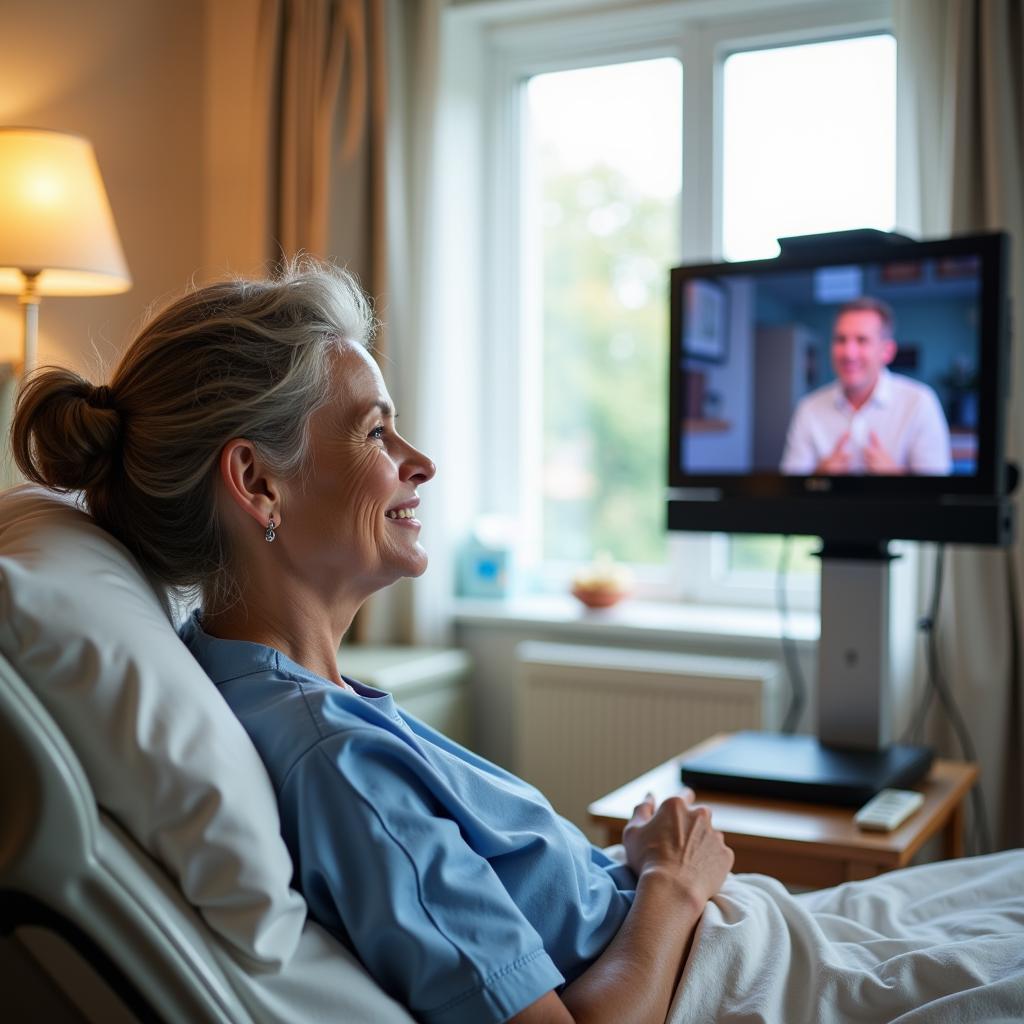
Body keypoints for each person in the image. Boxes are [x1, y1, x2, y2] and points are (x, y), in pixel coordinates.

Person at [12, 262, 1023, 1024]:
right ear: (257, 483)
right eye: (374, 432)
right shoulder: (335, 759)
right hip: (731, 982)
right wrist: (669, 886)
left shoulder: (290, 691)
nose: (421, 462)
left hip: (726, 937)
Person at [780, 297, 952, 475]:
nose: (849, 353)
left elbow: (938, 494)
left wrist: (897, 478)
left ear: (887, 351)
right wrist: (819, 477)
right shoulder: (808, 408)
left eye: (862, 340)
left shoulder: (920, 403)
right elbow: (790, 489)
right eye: (841, 339)